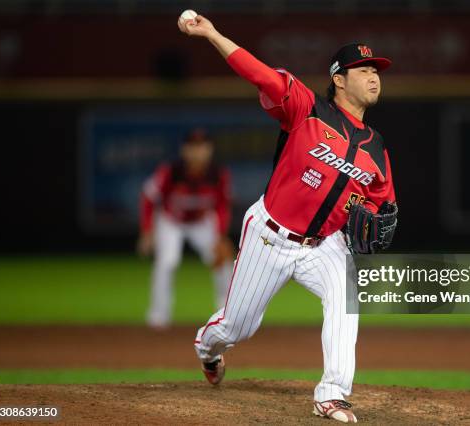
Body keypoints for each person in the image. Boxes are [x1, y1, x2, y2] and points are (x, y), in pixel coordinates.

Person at [178, 14, 396, 424]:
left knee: (345, 298)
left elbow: (384, 203)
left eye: (376, 71)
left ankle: (332, 395)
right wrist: (211, 34)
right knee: (236, 328)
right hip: (270, 236)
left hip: (325, 245)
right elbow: (260, 75)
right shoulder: (306, 108)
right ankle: (207, 349)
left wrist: (381, 221)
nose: (373, 77)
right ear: (339, 80)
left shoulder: (376, 147)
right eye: (363, 70)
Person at [138, 129, 234, 329]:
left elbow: (222, 205)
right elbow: (148, 197)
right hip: (170, 221)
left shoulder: (218, 174)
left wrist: (221, 235)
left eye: (202, 147)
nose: (198, 152)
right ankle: (158, 316)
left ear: (210, 150)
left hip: (202, 222)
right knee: (168, 261)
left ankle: (227, 314)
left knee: (221, 260)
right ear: (184, 150)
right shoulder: (171, 171)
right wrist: (147, 231)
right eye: (193, 147)